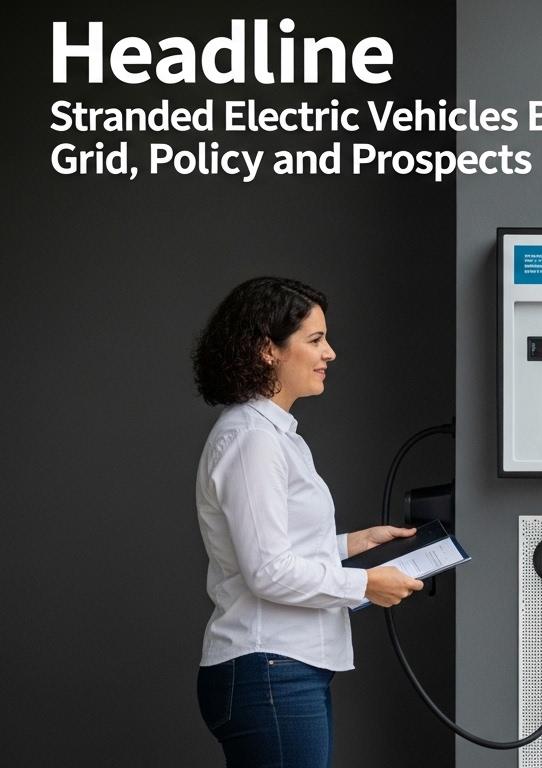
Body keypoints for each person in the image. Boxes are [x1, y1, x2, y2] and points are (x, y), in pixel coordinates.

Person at [191, 277, 425, 767]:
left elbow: (272, 548)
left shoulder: (277, 436)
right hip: (270, 667)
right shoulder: (252, 439)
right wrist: (365, 584)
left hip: (282, 669)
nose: (331, 353)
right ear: (266, 350)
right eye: (315, 340)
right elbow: (268, 571)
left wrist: (353, 544)